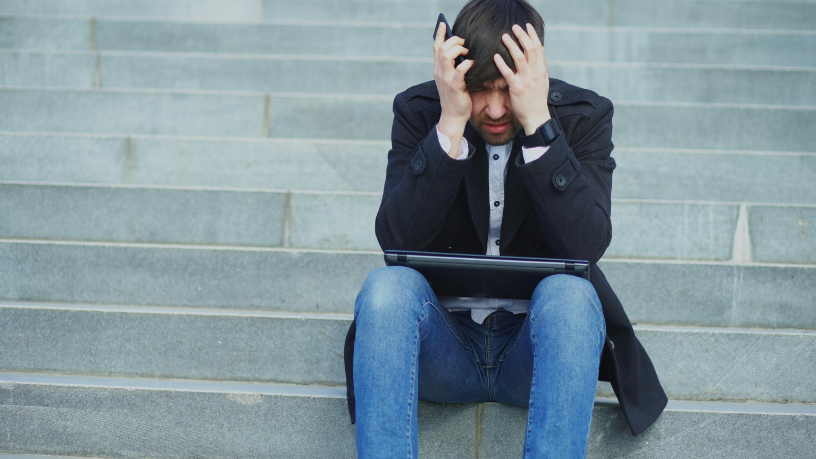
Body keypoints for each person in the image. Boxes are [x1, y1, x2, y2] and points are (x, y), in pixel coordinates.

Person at [343, 0, 667, 457]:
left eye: (507, 89)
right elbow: (396, 239)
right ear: (457, 78)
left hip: (536, 353)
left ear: (533, 74)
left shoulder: (583, 117)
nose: (495, 109)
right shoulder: (422, 112)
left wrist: (538, 125)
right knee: (385, 288)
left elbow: (587, 245)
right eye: (480, 90)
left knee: (572, 294)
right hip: (441, 349)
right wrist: (450, 124)